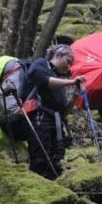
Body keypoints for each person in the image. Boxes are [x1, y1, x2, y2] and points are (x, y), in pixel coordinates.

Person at [21, 44, 84, 179]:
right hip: (40, 118)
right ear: (58, 54)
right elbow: (41, 78)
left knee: (57, 160)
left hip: (55, 123)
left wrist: (74, 96)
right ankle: (39, 190)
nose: (69, 67)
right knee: (41, 158)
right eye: (68, 61)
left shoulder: (58, 79)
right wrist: (71, 82)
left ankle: (53, 187)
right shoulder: (41, 63)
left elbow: (62, 112)